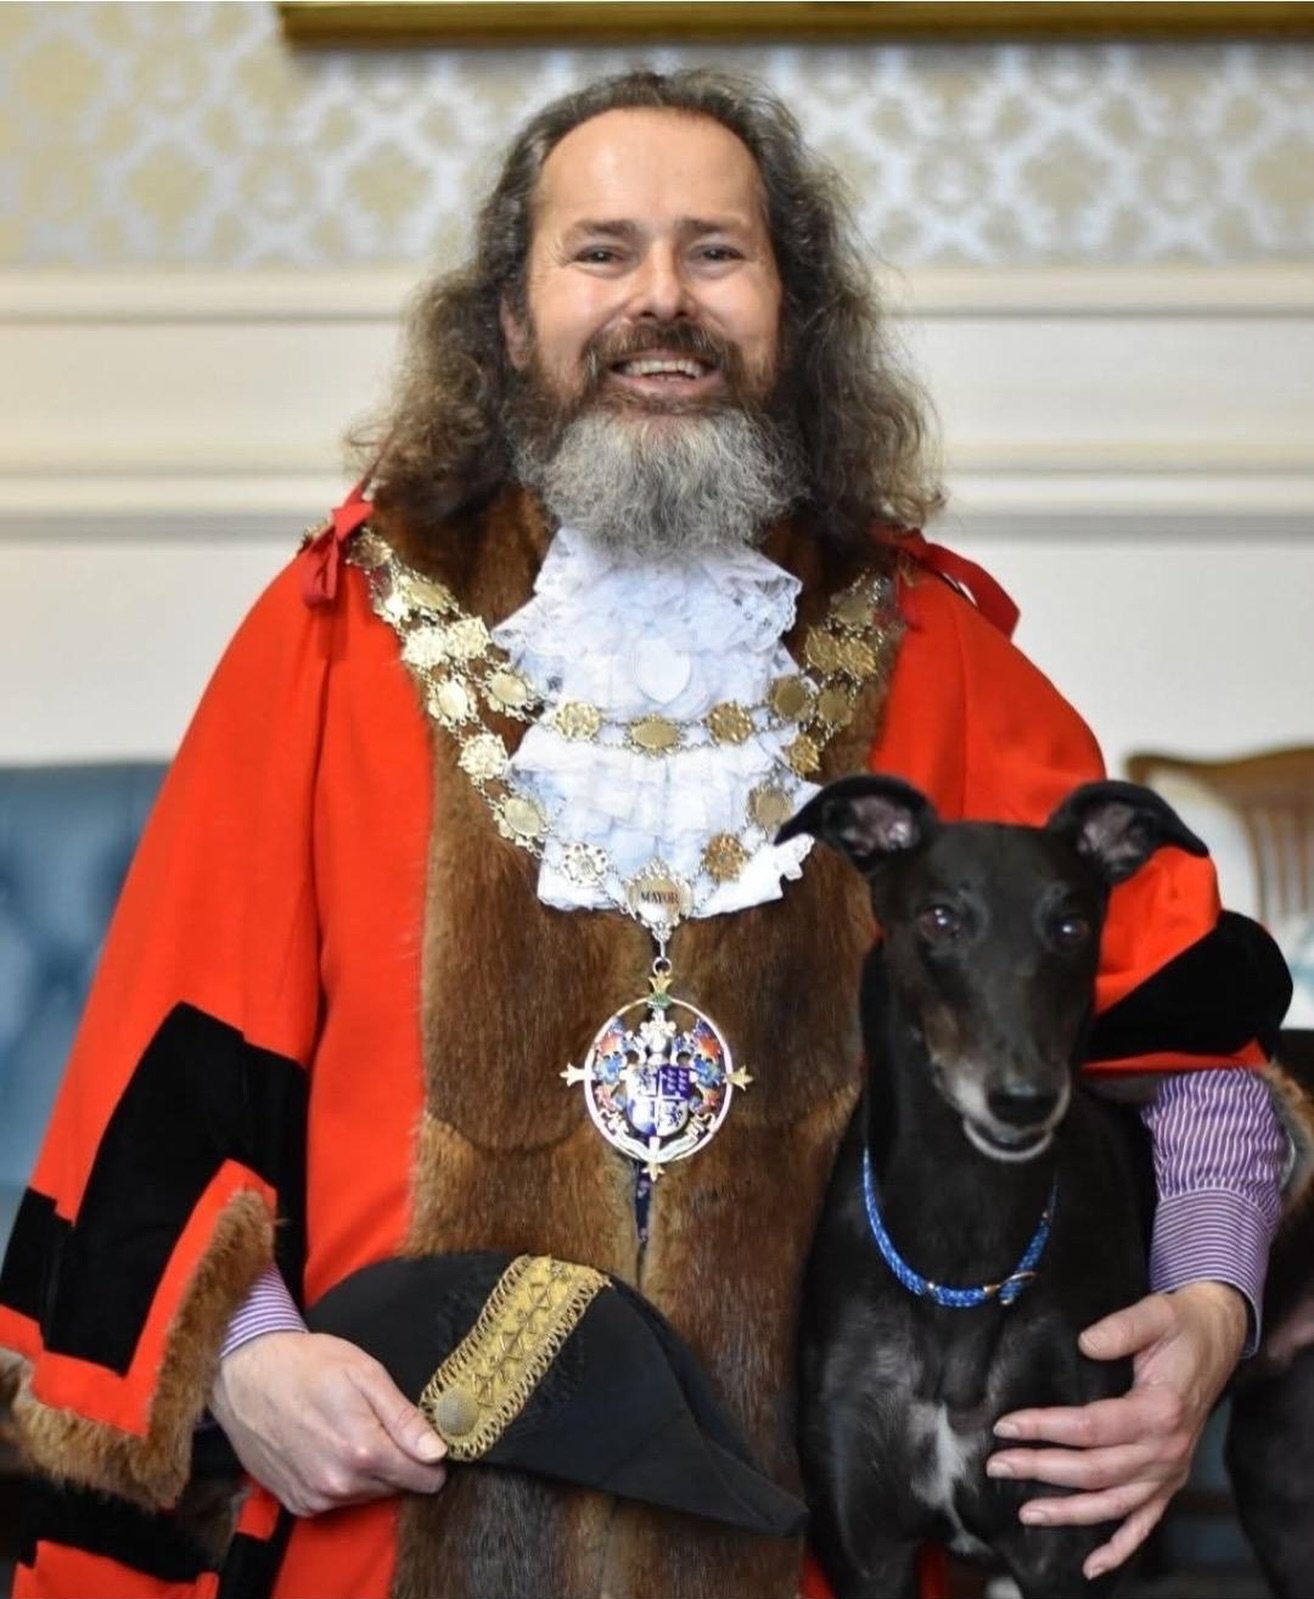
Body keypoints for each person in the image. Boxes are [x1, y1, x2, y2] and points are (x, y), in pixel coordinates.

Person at [0, 69, 1291, 1599]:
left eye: (717, 253)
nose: (659, 301)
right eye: (601, 252)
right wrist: (254, 1364)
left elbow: (1194, 1058)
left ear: (789, 315)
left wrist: (1205, 1308)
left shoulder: (940, 656)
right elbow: (170, 1087)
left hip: (820, 1544)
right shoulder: (338, 636)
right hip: (388, 1510)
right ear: (508, 318)